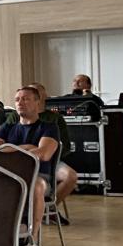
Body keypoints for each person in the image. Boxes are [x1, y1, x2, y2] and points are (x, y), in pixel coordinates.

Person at [0, 85, 60, 234]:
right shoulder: (7, 128)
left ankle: (31, 236)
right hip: (9, 174)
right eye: (17, 100)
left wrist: (10, 149)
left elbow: (44, 154)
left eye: (25, 99)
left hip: (38, 175)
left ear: (37, 103)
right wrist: (28, 147)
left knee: (35, 186)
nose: (20, 103)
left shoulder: (49, 128)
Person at [20, 81, 77, 220]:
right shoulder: (15, 116)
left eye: (35, 93)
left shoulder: (55, 118)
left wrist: (47, 153)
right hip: (22, 160)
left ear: (42, 97)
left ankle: (49, 209)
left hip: (50, 161)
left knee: (71, 176)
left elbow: (64, 146)